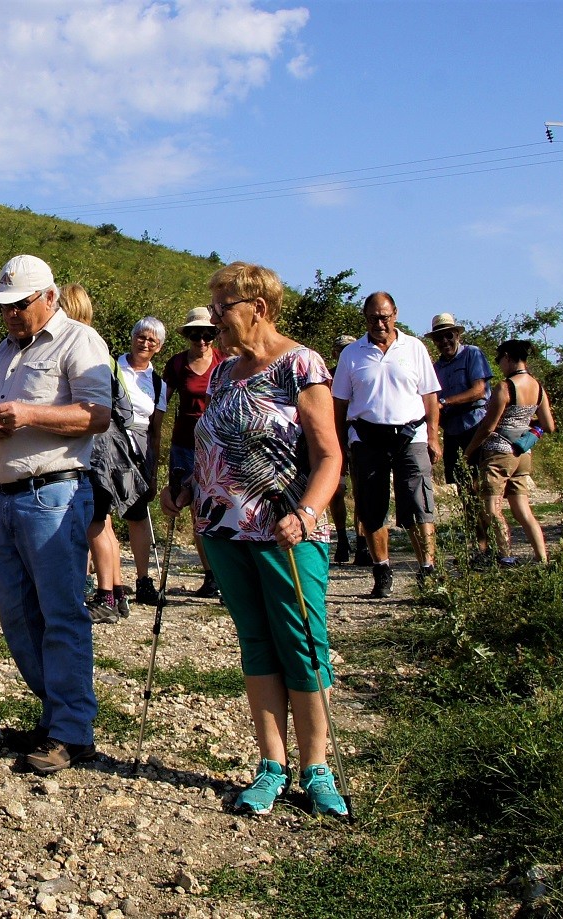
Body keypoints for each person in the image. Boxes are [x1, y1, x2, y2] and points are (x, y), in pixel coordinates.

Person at [160, 261, 346, 817]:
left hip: (287, 533)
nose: (214, 320)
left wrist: (309, 513)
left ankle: (316, 768)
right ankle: (270, 765)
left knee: (302, 643)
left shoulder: (300, 364)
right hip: (222, 530)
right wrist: (189, 488)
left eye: (222, 310)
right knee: (256, 642)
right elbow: (215, 448)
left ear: (257, 309)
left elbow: (330, 455)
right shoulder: (221, 373)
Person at [0, 255, 112, 775]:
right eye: (4, 307)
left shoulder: (80, 341)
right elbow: (3, 415)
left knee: (60, 615)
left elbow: (96, 415)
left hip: (52, 494)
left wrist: (29, 413)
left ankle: (72, 730)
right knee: (17, 617)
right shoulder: (4, 351)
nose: (10, 315)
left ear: (50, 298)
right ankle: (57, 714)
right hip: (6, 497)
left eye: (20, 304)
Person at [332, 292, 441, 597]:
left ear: (395, 314)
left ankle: (427, 570)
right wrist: (340, 447)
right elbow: (339, 404)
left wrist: (433, 435)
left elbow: (430, 395)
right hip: (367, 438)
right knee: (371, 507)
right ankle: (382, 571)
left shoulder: (415, 348)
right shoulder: (351, 354)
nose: (379, 323)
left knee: (419, 504)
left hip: (411, 435)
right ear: (365, 318)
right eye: (372, 317)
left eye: (384, 316)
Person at [59, 284, 130, 623]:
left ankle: (105, 596)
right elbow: (126, 407)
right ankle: (116, 590)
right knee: (105, 523)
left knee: (94, 523)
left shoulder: (80, 343)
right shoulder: (104, 349)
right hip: (112, 447)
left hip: (95, 448)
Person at [464, 339, 556, 565]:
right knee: (523, 510)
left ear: (507, 357)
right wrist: (526, 426)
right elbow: (549, 425)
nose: (500, 365)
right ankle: (541, 558)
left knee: (491, 508)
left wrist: (468, 452)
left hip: (499, 454)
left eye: (499, 360)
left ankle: (505, 555)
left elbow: (488, 426)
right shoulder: (538, 387)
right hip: (523, 454)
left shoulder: (505, 387)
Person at [161, 307, 226, 597]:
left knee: (218, 506)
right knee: (194, 509)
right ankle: (211, 575)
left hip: (217, 446)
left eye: (208, 334)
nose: (202, 340)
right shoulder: (176, 365)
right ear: (187, 336)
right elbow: (161, 407)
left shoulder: (225, 362)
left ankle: (226, 573)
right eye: (195, 334)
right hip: (185, 444)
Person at [427, 312, 493, 561]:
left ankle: (487, 544)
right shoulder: (436, 368)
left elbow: (479, 391)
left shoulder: (472, 354)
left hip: (474, 427)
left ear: (457, 335)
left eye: (448, 335)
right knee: (464, 490)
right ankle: (476, 546)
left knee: (479, 487)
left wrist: (445, 402)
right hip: (452, 431)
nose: (444, 341)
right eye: (439, 337)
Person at [116, 318, 169, 605]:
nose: (145, 343)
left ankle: (142, 580)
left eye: (152, 340)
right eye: (141, 337)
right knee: (101, 513)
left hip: (141, 449)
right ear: (132, 337)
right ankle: (101, 579)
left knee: (137, 514)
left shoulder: (159, 384)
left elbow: (156, 430)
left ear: (159, 347)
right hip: (109, 444)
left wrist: (153, 471)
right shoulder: (112, 368)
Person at [326, 334, 368, 565]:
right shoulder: (327, 377)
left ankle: (362, 543)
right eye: (340, 350)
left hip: (357, 434)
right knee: (336, 491)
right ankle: (342, 540)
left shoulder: (360, 372)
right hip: (334, 436)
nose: (344, 353)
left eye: (348, 349)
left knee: (361, 491)